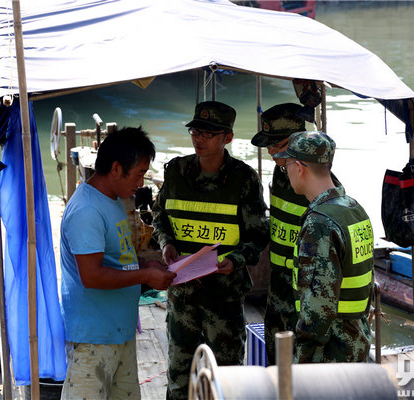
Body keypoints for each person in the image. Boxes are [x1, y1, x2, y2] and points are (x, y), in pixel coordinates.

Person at [152, 101, 270, 400]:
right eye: (195, 131)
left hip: (224, 294)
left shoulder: (244, 179)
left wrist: (235, 260)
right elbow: (159, 216)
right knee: (179, 374)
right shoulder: (176, 171)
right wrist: (166, 242)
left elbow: (257, 234)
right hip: (182, 293)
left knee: (227, 377)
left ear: (227, 137)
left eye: (208, 133)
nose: (199, 139)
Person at [60, 126, 176, 400]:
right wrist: (144, 277)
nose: (141, 183)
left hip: (119, 330)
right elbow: (92, 276)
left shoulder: (112, 199)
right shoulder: (87, 211)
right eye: (138, 174)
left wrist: (144, 265)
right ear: (116, 168)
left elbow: (117, 256)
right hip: (93, 337)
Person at [273, 131, 374, 363]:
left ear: (299, 168)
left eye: (286, 166)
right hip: (356, 338)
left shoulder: (319, 223)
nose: (287, 172)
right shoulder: (354, 209)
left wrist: (304, 355)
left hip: (329, 351)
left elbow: (318, 306)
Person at [250, 103, 311, 365]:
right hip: (278, 287)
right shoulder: (281, 170)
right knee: (276, 360)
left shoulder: (316, 181)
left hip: (302, 290)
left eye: (278, 144)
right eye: (269, 145)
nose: (271, 151)